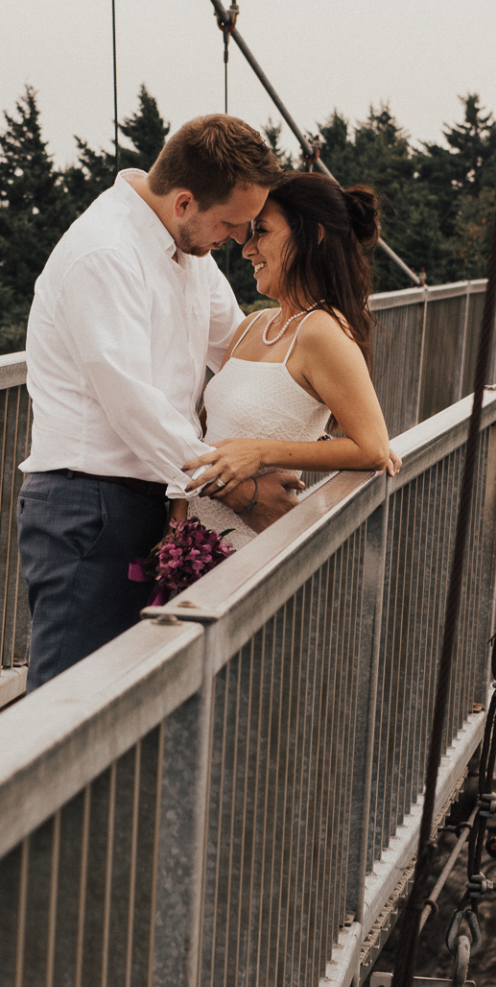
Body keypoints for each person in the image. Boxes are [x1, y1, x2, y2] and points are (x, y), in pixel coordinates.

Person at [17, 114, 298, 690]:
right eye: (232, 224)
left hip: (158, 498)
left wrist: (319, 356)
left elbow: (238, 347)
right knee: (69, 707)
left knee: (136, 700)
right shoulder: (105, 253)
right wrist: (241, 489)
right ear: (185, 202)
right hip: (88, 507)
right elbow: (132, 404)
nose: (238, 241)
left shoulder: (189, 252)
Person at [181, 171, 401, 545]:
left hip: (251, 549)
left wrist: (260, 452)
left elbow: (373, 448)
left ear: (312, 236)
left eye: (262, 231)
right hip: (194, 547)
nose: (248, 248)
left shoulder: (322, 332)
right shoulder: (252, 326)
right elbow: (201, 435)